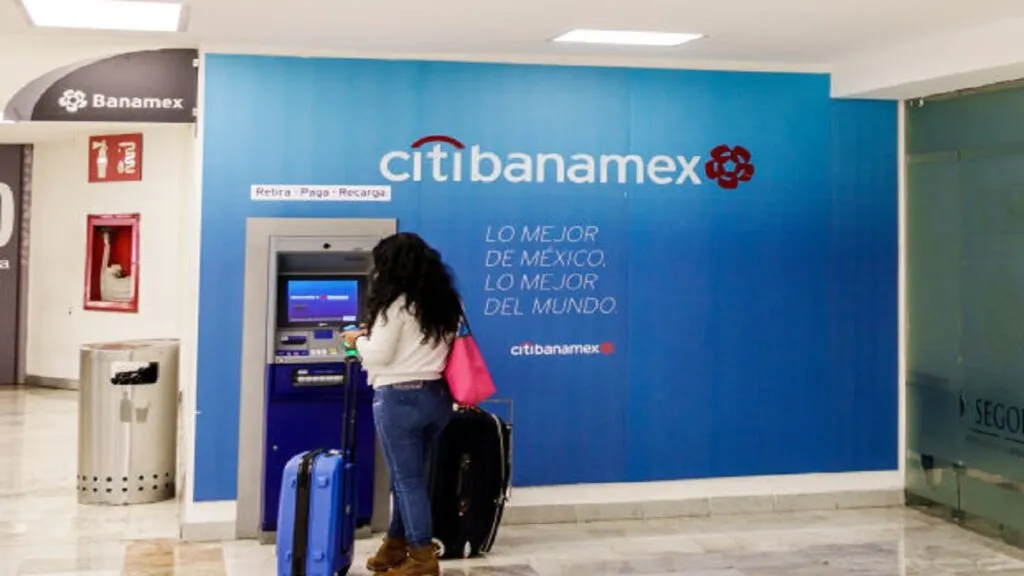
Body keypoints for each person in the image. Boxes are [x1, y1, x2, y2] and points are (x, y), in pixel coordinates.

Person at [341, 232, 462, 576]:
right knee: (408, 477)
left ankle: (422, 556)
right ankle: (395, 545)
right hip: (437, 397)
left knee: (407, 481)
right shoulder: (447, 301)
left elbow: (379, 356)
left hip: (399, 399)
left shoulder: (395, 305)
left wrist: (357, 339)